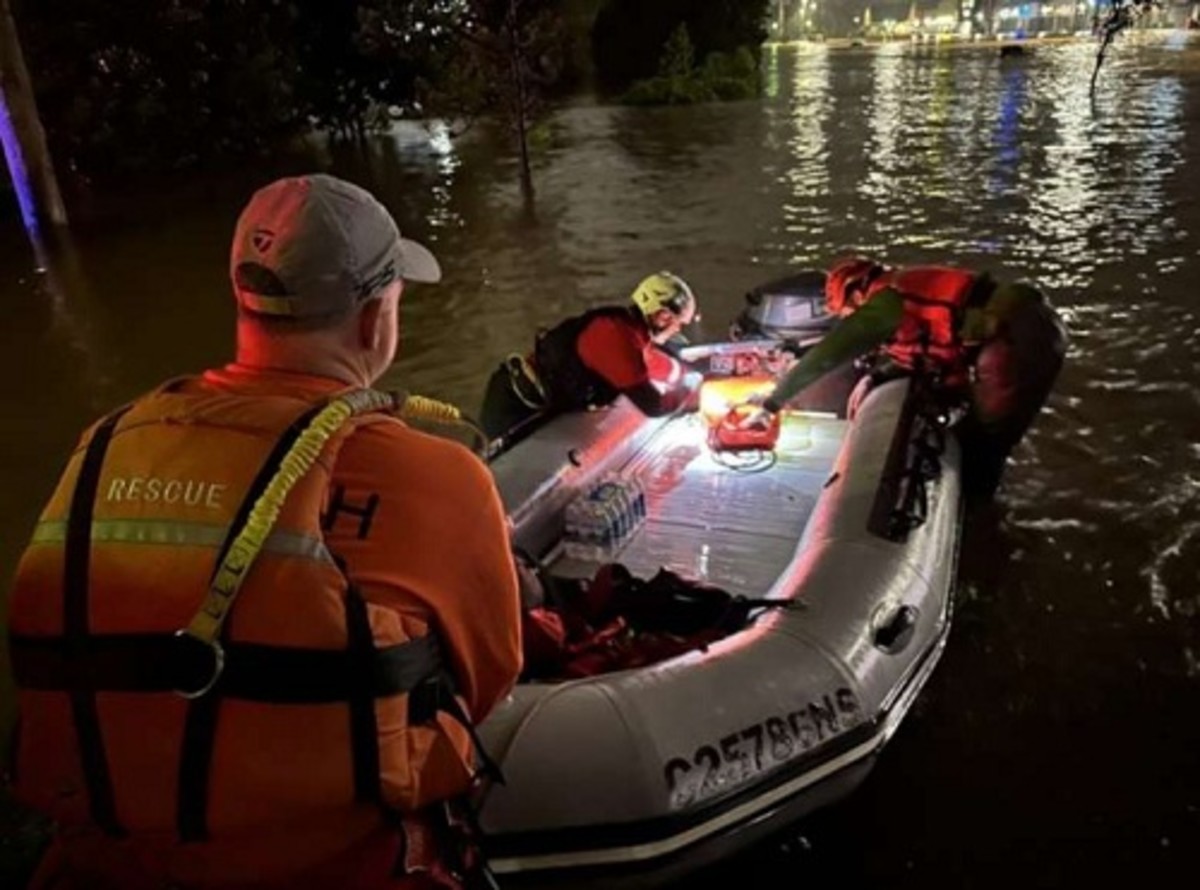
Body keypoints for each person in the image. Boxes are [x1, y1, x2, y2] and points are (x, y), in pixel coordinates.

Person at [6, 174, 523, 889]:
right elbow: (489, 679)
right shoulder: (433, 474)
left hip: (96, 869)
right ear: (376, 321)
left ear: (243, 297)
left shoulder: (100, 447)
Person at [751, 256, 1067, 501]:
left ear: (854, 295)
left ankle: (979, 523)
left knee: (986, 443)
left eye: (847, 313)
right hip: (1033, 325)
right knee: (988, 437)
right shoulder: (905, 286)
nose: (848, 319)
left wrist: (771, 404)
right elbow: (934, 348)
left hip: (1015, 339)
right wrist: (878, 377)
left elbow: (828, 354)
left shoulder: (885, 303)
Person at [479, 271, 704, 445]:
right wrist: (693, 395)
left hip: (537, 399)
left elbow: (657, 364)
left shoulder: (628, 332)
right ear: (662, 316)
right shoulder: (613, 336)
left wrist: (695, 375)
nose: (677, 331)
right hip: (516, 405)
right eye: (679, 324)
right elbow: (654, 405)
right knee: (488, 469)